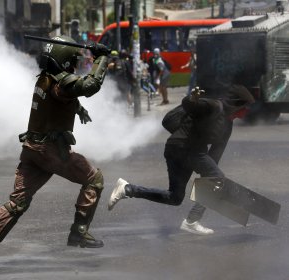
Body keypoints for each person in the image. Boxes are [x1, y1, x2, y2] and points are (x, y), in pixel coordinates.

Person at [0, 35, 110, 269]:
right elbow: (90, 85)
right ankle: (79, 232)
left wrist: (77, 108)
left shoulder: (44, 79)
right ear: (64, 61)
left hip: (32, 149)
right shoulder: (61, 83)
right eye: (73, 61)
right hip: (51, 151)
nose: (74, 65)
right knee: (94, 179)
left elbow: (63, 96)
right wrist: (102, 58)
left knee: (17, 203)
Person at [108, 83, 255, 235]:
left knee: (175, 197)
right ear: (237, 104)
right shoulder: (214, 106)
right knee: (217, 178)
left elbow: (215, 155)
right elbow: (190, 104)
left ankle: (127, 189)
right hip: (183, 148)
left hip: (180, 150)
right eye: (246, 106)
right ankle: (192, 221)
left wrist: (208, 180)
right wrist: (192, 98)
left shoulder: (227, 126)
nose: (247, 111)